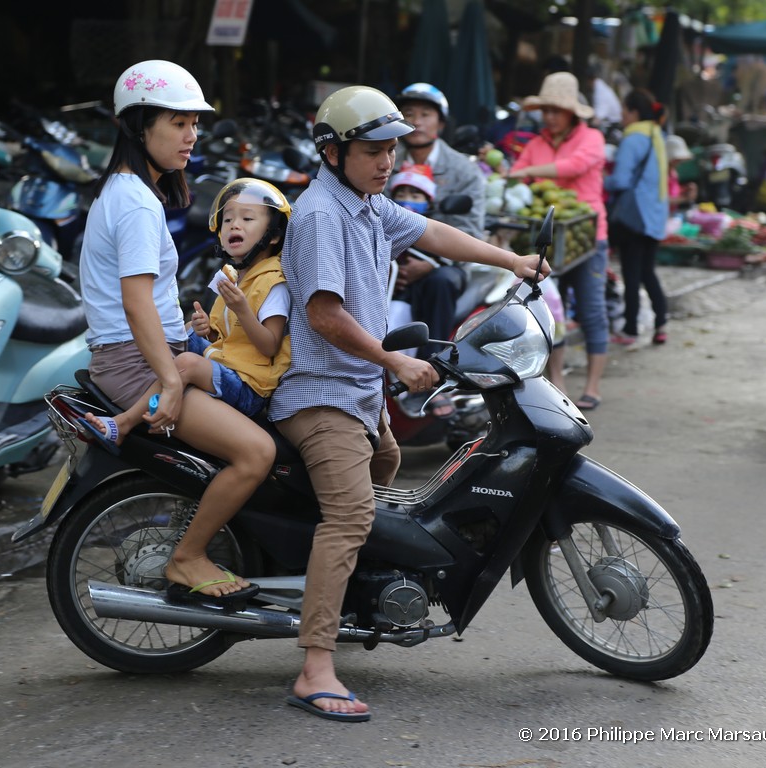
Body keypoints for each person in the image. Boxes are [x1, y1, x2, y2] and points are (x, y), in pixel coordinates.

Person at [269, 85, 548, 722]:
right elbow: (324, 314)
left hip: (361, 395)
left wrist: (514, 260)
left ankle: (345, 592)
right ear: (334, 152)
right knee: (349, 517)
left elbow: (433, 232)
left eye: (392, 148)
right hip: (323, 396)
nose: (387, 160)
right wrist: (393, 360)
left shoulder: (368, 206)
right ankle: (314, 667)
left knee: (387, 473)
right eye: (373, 150)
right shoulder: (321, 215)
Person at [77, 60, 272, 605]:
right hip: (137, 365)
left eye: (194, 124)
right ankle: (187, 556)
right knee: (255, 453)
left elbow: (147, 302)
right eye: (178, 123)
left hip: (152, 352)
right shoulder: (137, 201)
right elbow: (134, 302)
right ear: (139, 126)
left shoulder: (129, 191)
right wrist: (170, 377)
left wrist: (192, 336)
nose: (191, 136)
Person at [81, 177, 292, 445]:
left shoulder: (274, 284)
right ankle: (154, 398)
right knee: (186, 333)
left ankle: (125, 423)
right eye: (227, 220)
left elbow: (269, 346)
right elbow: (229, 338)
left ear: (273, 235)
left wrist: (241, 310)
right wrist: (208, 328)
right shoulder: (231, 276)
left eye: (247, 219)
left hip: (249, 386)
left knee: (187, 363)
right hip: (227, 364)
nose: (234, 225)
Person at [506, 71, 610, 412]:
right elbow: (516, 172)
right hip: (548, 240)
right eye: (545, 110)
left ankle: (593, 385)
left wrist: (523, 172)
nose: (548, 116)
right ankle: (556, 381)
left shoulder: (592, 138)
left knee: (592, 309)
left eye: (555, 110)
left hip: (587, 238)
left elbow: (575, 165)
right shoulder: (535, 144)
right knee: (549, 311)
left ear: (571, 112)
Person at [387, 163, 467, 401]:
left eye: (415, 194)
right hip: (396, 291)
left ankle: (435, 370)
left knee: (440, 282)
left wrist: (430, 264)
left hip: (432, 285)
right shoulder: (382, 221)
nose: (407, 200)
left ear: (429, 200)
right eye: (400, 194)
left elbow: (454, 250)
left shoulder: (437, 225)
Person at [606, 89, 671, 347]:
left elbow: (620, 180)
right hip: (655, 215)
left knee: (632, 273)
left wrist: (604, 180)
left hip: (635, 215)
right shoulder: (658, 136)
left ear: (634, 112)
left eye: (623, 111)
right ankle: (661, 323)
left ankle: (631, 328)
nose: (621, 116)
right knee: (647, 271)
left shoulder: (633, 139)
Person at [392, 82, 486, 238]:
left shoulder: (465, 171)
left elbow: (471, 230)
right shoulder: (384, 163)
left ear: (441, 123)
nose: (416, 122)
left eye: (425, 114)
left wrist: (433, 261)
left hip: (443, 259)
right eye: (408, 114)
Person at [664, 134, 698, 212]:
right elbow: (662, 200)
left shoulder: (673, 172)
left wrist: (685, 189)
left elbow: (673, 190)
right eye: (678, 160)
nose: (679, 163)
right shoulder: (661, 174)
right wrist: (685, 199)